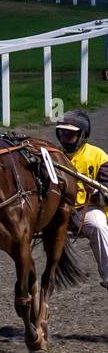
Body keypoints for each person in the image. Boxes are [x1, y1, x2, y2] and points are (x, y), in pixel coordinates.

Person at [54, 110, 108, 288]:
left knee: (99, 225)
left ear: (82, 135)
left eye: (70, 134)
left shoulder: (99, 157)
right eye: (62, 133)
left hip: (87, 209)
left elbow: (105, 197)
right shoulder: (53, 156)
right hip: (57, 209)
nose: (64, 137)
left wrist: (94, 193)